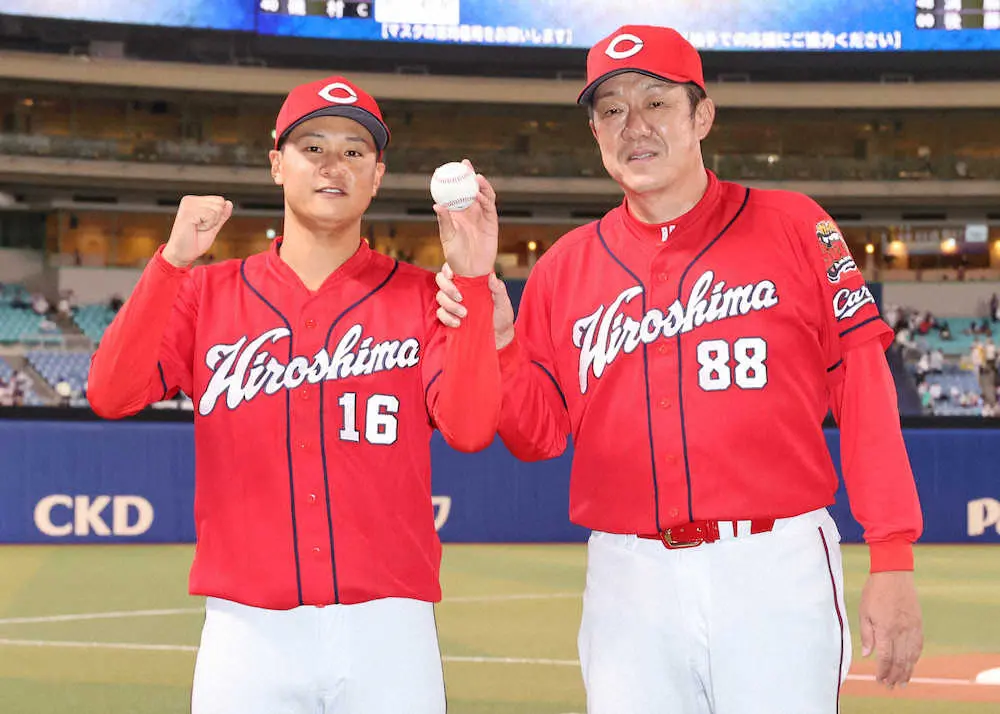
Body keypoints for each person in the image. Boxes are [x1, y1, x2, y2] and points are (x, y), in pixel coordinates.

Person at [436, 25, 923, 713]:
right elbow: (537, 435)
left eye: (657, 103)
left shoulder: (795, 226)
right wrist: (503, 343)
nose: (634, 126)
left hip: (774, 563)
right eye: (611, 110)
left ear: (702, 116)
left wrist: (892, 555)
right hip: (627, 577)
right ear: (595, 132)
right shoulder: (563, 268)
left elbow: (865, 391)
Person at [87, 75, 501, 714]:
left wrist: (472, 282)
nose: (334, 165)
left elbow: (471, 429)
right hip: (246, 632)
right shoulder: (208, 293)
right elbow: (111, 394)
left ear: (378, 175)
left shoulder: (425, 293)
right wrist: (170, 262)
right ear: (277, 164)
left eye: (354, 151)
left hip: (389, 630)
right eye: (313, 147)